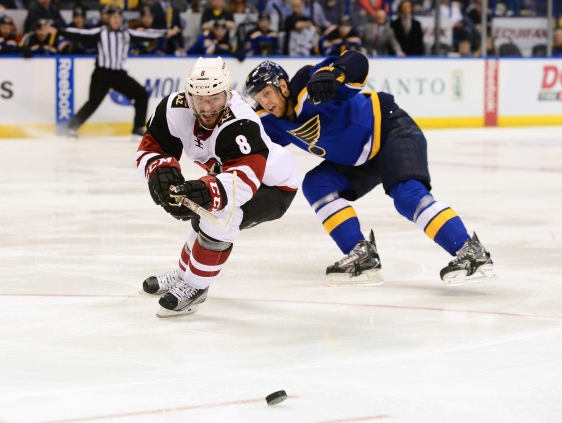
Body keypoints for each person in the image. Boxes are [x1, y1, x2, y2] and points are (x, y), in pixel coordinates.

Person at [245, 50, 496, 286]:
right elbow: (246, 146)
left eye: (267, 93)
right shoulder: (270, 123)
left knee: (407, 195)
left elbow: (357, 62)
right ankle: (360, 254)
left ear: (283, 85)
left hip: (391, 131)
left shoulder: (310, 84)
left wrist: (336, 73)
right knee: (316, 183)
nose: (265, 103)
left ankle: (470, 250)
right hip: (359, 158)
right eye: (259, 98)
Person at [136, 57, 299, 317]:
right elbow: (152, 147)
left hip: (275, 187)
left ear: (228, 93)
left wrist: (204, 192)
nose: (208, 107)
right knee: (204, 213)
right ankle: (182, 276)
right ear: (189, 96)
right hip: (234, 176)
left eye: (215, 98)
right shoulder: (174, 109)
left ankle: (196, 287)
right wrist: (160, 172)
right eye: (199, 99)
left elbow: (245, 180)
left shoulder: (242, 121)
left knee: (221, 214)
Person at [54, 7, 168, 138]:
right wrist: (59, 30)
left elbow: (146, 34)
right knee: (93, 103)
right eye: (113, 17)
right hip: (101, 74)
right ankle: (71, 128)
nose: (116, 20)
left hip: (118, 74)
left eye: (118, 17)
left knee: (141, 94)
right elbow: (81, 33)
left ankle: (137, 128)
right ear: (108, 19)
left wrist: (165, 32)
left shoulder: (126, 33)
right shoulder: (101, 32)